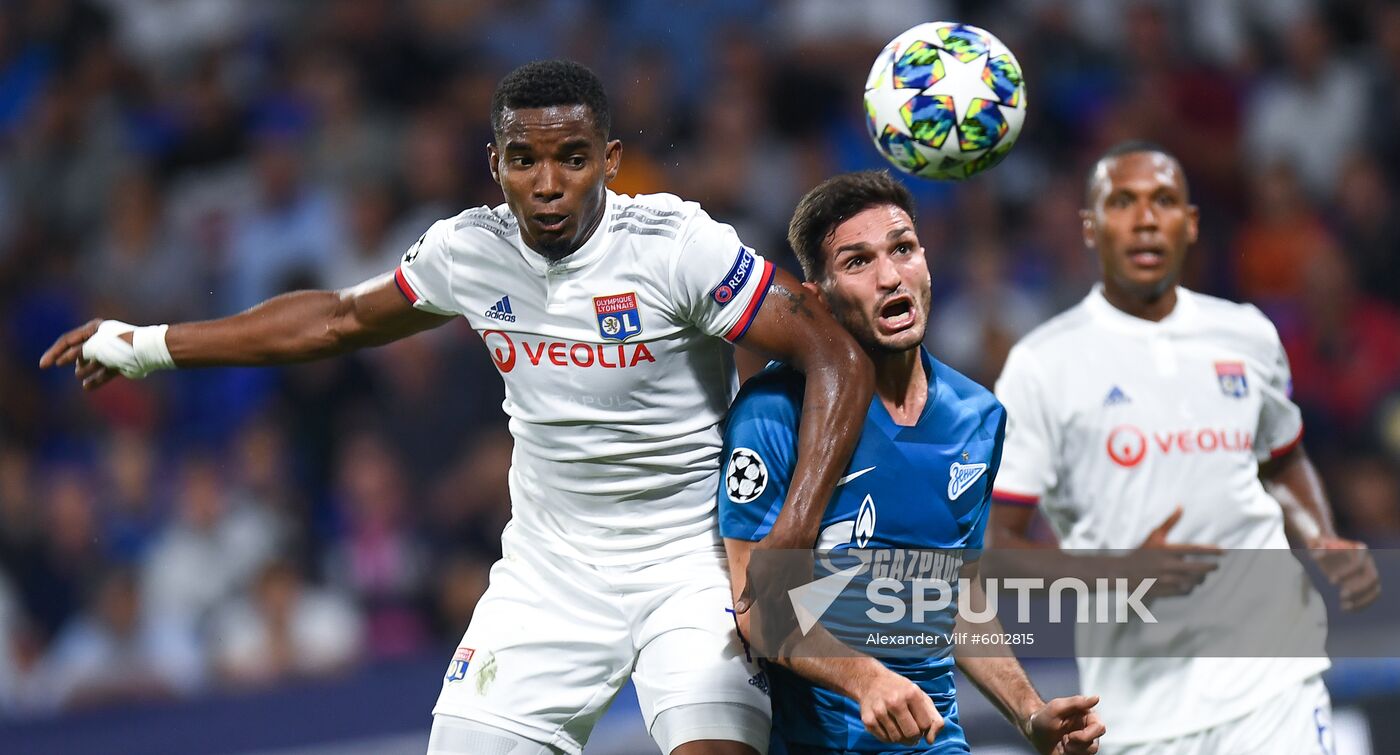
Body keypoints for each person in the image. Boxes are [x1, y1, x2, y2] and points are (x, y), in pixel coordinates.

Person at [39, 60, 877, 755]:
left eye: (573, 158)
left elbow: (833, 353)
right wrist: (146, 342)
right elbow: (337, 318)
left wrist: (790, 539)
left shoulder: (676, 245)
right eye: (525, 160)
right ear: (496, 163)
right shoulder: (469, 250)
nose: (548, 185)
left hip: (690, 560)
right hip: (551, 570)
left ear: (612, 160)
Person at [988, 141, 1381, 754]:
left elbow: (1282, 460)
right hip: (1137, 710)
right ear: (1091, 228)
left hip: (1274, 678)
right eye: (1123, 202)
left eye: (1164, 201)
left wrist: (1319, 533)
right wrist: (1120, 574)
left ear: (1190, 223)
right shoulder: (1043, 364)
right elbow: (1001, 548)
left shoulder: (1248, 334)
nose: (1146, 218)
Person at [719, 171, 1105, 754]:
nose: (889, 276)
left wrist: (1029, 714)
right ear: (818, 298)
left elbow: (955, 602)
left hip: (936, 742)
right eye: (857, 262)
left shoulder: (977, 415)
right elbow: (759, 610)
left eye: (903, 249)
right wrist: (866, 679)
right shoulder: (774, 412)